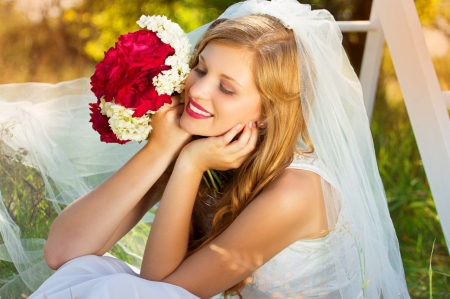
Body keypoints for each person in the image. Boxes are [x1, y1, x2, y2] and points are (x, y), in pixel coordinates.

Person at [0, 0, 411, 298]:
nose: (197, 89)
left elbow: (160, 291)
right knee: (88, 269)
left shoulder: (297, 191)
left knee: (113, 289)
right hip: (171, 289)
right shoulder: (207, 140)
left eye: (226, 87)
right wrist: (160, 150)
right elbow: (63, 251)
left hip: (172, 291)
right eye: (201, 68)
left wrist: (190, 164)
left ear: (267, 114)